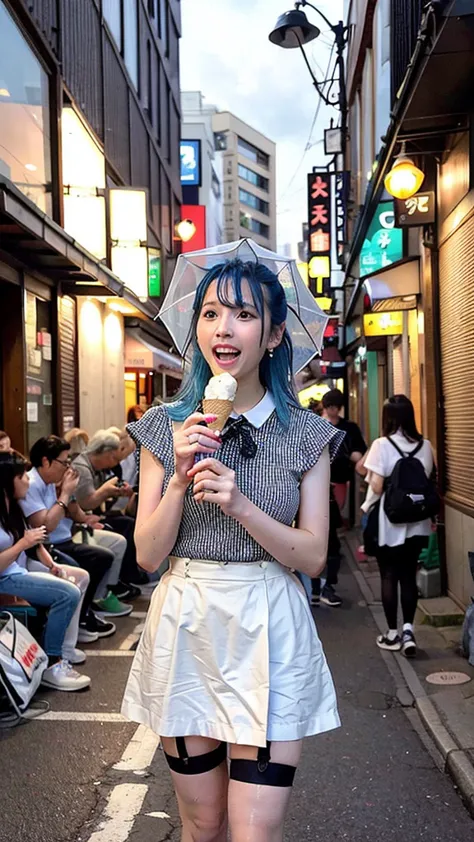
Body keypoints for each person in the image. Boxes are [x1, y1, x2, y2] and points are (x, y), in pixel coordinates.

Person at [121, 258, 344, 842]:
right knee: (203, 823)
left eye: (244, 315)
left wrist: (241, 504)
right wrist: (177, 476)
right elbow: (146, 555)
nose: (224, 328)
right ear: (196, 328)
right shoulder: (164, 426)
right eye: (212, 313)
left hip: (270, 619)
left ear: (273, 336)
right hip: (188, 617)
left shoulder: (306, 433)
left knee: (255, 832)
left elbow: (314, 555)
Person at [20, 436, 130, 636]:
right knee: (85, 567)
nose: (66, 467)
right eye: (63, 462)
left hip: (64, 539)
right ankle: (80, 619)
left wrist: (68, 495)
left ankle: (88, 610)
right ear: (46, 461)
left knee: (104, 555)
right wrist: (65, 493)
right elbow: (46, 526)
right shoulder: (32, 483)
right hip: (47, 546)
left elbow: (76, 512)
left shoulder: (51, 481)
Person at [0, 451, 90, 690]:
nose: (28, 480)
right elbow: (24, 543)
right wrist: (23, 544)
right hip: (5, 579)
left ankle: (61, 653)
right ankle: (53, 661)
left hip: (14, 573)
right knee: (67, 593)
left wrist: (51, 564)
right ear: (9, 480)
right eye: (23, 476)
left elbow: (35, 541)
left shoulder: (12, 508)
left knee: (71, 582)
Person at [362, 395, 434, 657]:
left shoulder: (382, 445)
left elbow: (377, 486)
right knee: (409, 576)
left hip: (390, 523)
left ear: (388, 417)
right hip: (418, 523)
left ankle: (392, 634)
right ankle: (408, 631)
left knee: (389, 575)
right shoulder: (425, 445)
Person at [311, 389, 367, 608]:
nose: (334, 412)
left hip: (339, 485)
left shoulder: (349, 428)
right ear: (325, 406)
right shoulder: (313, 425)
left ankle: (324, 586)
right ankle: (319, 586)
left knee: (330, 534)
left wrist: (354, 457)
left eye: (337, 407)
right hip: (316, 488)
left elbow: (358, 454)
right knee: (321, 536)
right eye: (330, 407)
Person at [74, 431, 145, 588]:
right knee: (126, 526)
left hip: (91, 517)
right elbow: (86, 503)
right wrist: (106, 491)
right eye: (113, 458)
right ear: (104, 452)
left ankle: (125, 577)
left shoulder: (95, 469)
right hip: (80, 521)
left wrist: (116, 492)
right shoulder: (82, 469)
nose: (114, 464)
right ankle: (119, 582)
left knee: (128, 523)